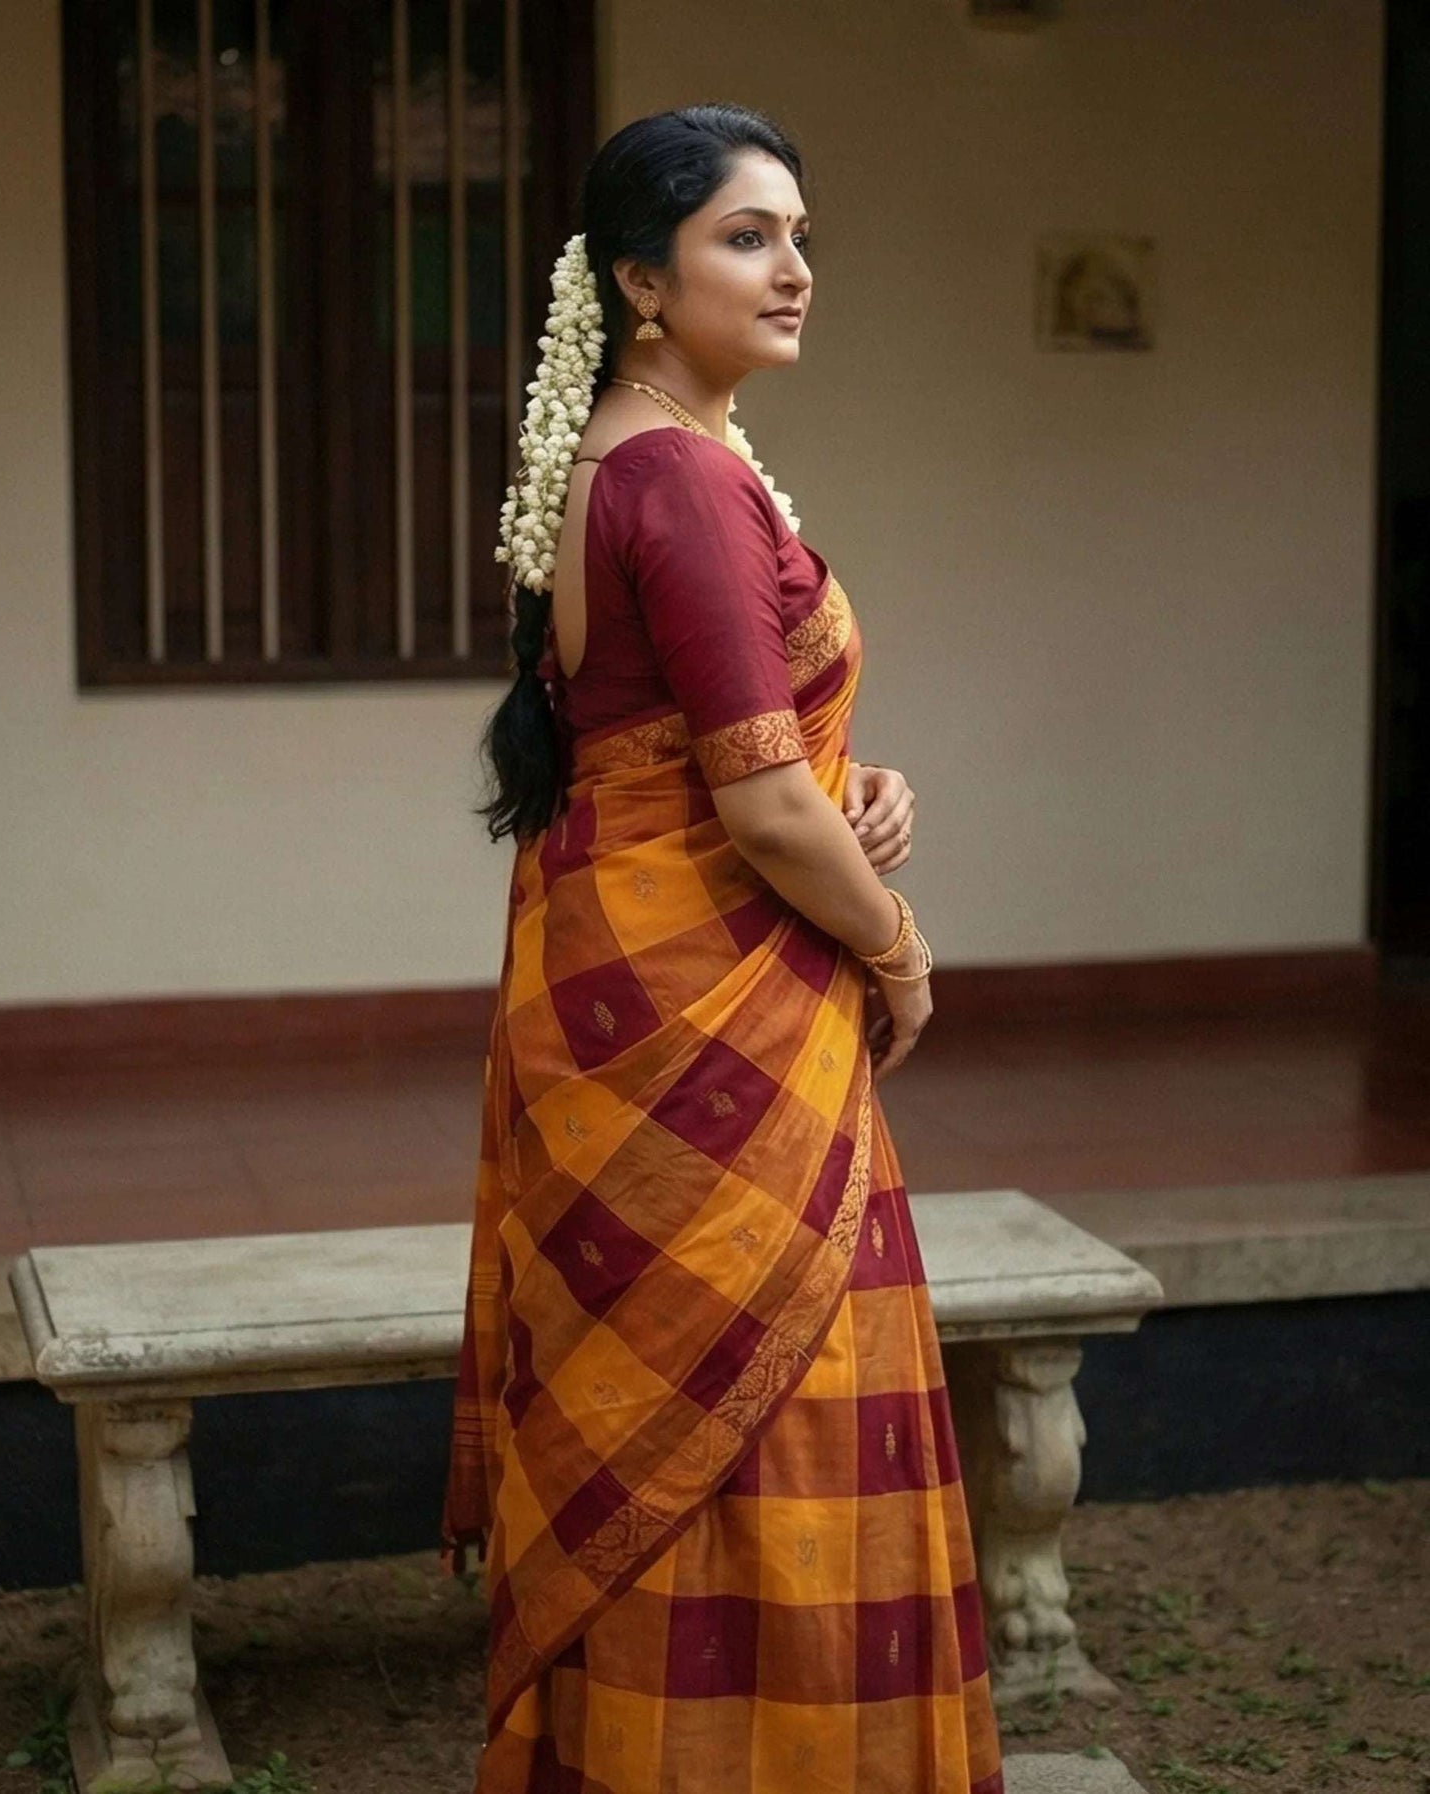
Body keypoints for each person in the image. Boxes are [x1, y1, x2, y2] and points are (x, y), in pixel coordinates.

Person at [442, 102, 1005, 1794]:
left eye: (801, 238)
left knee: (676, 1386)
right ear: (638, 279)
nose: (793, 269)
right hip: (709, 1016)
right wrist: (898, 949)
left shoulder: (639, 453)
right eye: (746, 238)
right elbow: (755, 805)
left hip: (643, 984)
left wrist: (851, 785)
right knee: (770, 1390)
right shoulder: (678, 475)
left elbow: (713, 752)